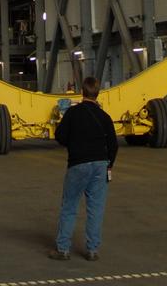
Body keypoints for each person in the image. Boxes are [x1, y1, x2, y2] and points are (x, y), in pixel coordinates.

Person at [49, 75, 118, 262]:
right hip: (100, 165)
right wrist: (108, 165)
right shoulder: (105, 117)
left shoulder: (73, 113)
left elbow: (60, 136)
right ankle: (92, 250)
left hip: (78, 164)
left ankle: (63, 249)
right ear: (98, 94)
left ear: (82, 92)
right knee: (95, 209)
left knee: (70, 206)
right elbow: (113, 144)